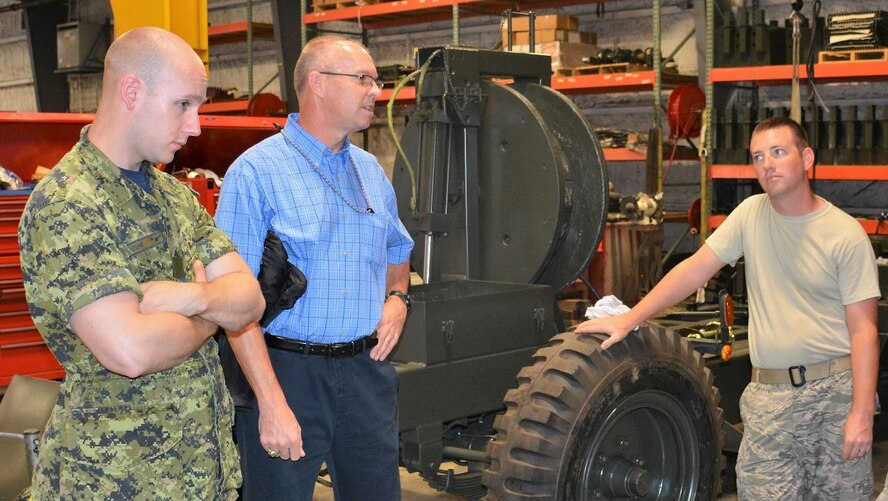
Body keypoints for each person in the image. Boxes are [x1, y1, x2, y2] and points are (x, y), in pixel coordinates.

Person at [17, 27, 265, 500]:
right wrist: (211, 315)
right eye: (183, 104)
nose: (195, 126)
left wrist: (191, 298)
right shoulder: (69, 202)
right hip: (116, 482)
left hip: (201, 474)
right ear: (132, 90)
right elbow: (129, 351)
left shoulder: (174, 195)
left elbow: (249, 298)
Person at [576, 116, 880, 499]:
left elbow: (864, 331)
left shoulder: (845, 235)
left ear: (806, 158)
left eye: (778, 152)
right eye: (758, 156)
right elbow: (693, 270)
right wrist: (631, 318)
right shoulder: (750, 215)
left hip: (833, 397)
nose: (767, 163)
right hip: (769, 398)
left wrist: (861, 414)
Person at [214, 35, 414, 500]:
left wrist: (398, 299)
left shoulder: (370, 172)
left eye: (376, 80)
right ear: (319, 84)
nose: (376, 91)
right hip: (286, 372)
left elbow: (397, 250)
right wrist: (269, 401)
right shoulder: (256, 173)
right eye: (363, 79)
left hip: (366, 372)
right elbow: (232, 302)